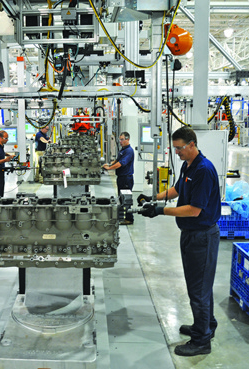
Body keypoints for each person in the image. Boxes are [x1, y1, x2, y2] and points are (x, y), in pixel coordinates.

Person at [137, 126, 221, 357]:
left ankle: (201, 341)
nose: (177, 153)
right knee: (201, 287)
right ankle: (206, 326)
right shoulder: (188, 165)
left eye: (180, 148)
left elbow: (194, 210)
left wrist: (161, 211)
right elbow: (177, 189)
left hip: (202, 237)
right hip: (192, 235)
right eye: (174, 149)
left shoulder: (203, 170)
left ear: (192, 144)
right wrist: (153, 198)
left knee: (198, 291)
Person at [102, 131, 135, 225]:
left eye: (122, 139)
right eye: (119, 139)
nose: (120, 141)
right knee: (121, 198)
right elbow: (117, 160)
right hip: (121, 177)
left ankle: (129, 219)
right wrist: (109, 164)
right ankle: (122, 217)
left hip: (126, 178)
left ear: (127, 139)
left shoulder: (129, 151)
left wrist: (109, 168)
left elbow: (121, 164)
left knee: (126, 199)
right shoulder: (123, 150)